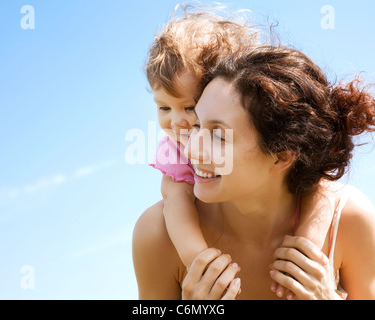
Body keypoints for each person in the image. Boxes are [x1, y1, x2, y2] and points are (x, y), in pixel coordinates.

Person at [133, 43, 375, 299]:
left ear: (281, 157)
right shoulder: (158, 234)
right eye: (197, 125)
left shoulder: (347, 220)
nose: (191, 150)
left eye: (219, 137)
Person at [143, 8, 339, 299]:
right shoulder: (154, 233)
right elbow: (175, 200)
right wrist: (198, 261)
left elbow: (323, 187)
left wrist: (307, 244)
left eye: (191, 110)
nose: (179, 124)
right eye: (163, 108)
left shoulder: (348, 221)